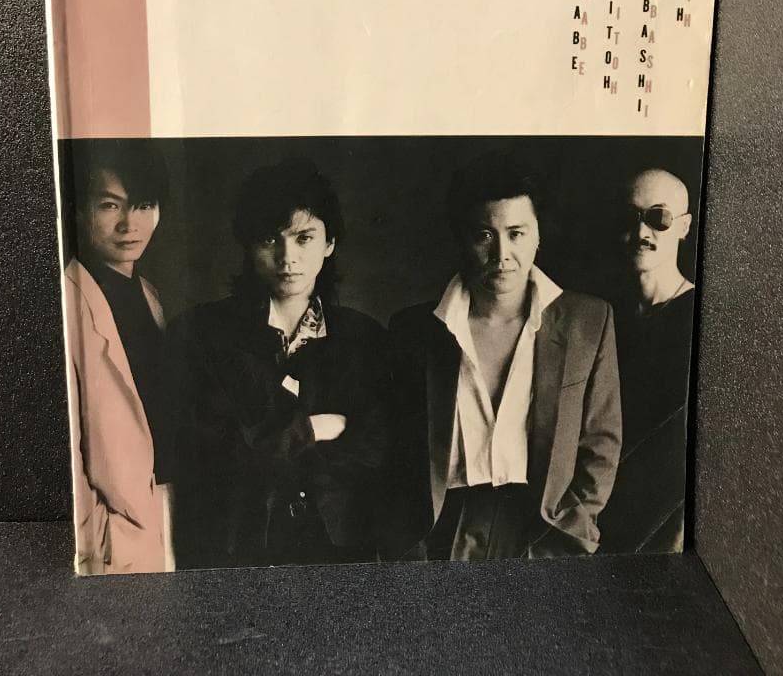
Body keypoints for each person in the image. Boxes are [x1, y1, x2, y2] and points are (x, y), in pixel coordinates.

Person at [382, 153, 621, 561]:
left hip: (544, 528)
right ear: (461, 238)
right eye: (484, 235)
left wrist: (574, 531)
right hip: (443, 531)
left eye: (516, 233)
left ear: (538, 234)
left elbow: (602, 440)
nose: (502, 255)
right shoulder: (414, 330)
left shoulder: (588, 320)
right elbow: (396, 451)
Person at [172, 158, 388, 568]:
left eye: (304, 238)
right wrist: (315, 428)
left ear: (329, 243)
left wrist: (270, 442)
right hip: (235, 546)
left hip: (338, 548)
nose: (288, 257)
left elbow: (375, 449)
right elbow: (206, 452)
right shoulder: (203, 333)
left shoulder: (366, 339)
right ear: (247, 245)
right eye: (270, 239)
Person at [60, 139, 174, 575]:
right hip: (111, 539)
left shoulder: (149, 295)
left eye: (143, 205)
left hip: (161, 518)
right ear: (79, 210)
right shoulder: (68, 300)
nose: (130, 224)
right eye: (110, 205)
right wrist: (98, 536)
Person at [598, 167, 696, 553]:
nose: (642, 232)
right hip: (602, 518)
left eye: (658, 218)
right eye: (632, 216)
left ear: (683, 227)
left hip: (668, 528)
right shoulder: (603, 316)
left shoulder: (704, 317)